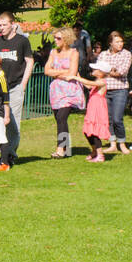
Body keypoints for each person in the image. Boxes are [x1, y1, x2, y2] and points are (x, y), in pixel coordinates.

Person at [0, 12, 33, 167]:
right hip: (1, 88)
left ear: (13, 24)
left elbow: (29, 61)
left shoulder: (22, 41)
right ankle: (4, 153)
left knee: (13, 122)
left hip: (15, 87)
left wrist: (23, 84)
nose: (1, 28)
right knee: (1, 122)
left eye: (4, 25)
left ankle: (10, 155)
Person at [45, 26, 85, 158]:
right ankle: (67, 149)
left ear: (66, 39)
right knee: (59, 119)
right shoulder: (53, 52)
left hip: (70, 90)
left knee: (62, 117)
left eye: (58, 38)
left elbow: (72, 74)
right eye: (55, 37)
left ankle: (60, 149)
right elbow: (46, 71)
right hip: (56, 91)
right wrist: (63, 72)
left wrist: (55, 73)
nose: (55, 40)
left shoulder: (74, 53)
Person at [101, 31, 132, 154]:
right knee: (108, 118)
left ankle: (122, 143)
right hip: (105, 89)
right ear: (110, 43)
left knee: (117, 118)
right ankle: (112, 143)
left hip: (120, 89)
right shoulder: (103, 54)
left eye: (121, 41)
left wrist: (107, 70)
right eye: (117, 42)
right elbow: (98, 70)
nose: (120, 44)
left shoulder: (126, 54)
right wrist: (111, 70)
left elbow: (122, 72)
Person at [78, 60, 112, 162]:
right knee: (87, 131)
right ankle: (94, 151)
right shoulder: (97, 81)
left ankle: (100, 155)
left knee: (95, 132)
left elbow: (89, 83)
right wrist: (78, 76)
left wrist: (75, 77)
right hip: (92, 109)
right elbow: (88, 86)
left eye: (96, 69)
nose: (93, 69)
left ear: (101, 72)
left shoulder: (102, 82)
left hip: (98, 110)